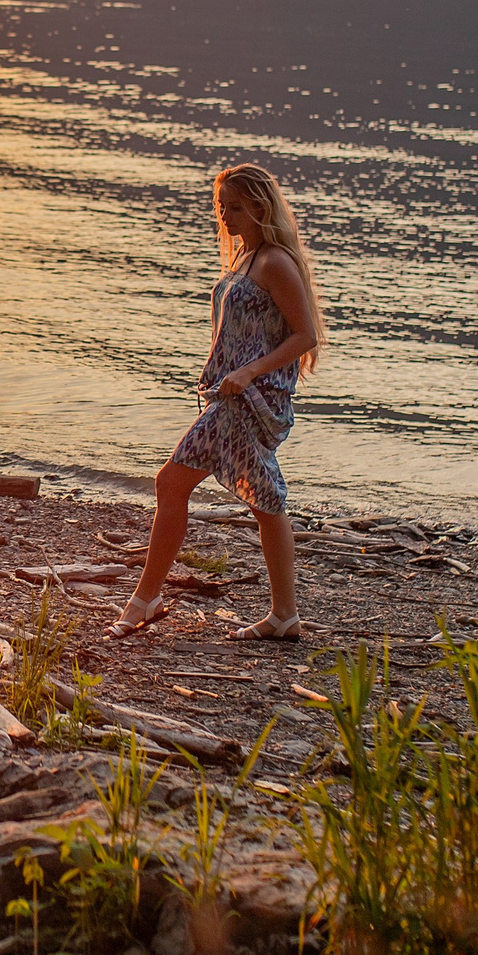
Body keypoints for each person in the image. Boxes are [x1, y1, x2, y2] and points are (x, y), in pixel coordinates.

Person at [110, 162, 324, 640]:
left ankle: (145, 600)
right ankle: (283, 615)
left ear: (260, 207)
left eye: (235, 207)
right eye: (221, 206)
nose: (225, 216)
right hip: (229, 396)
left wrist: (248, 372)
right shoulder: (246, 259)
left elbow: (306, 335)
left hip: (251, 400)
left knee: (178, 484)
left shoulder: (275, 262)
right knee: (262, 501)